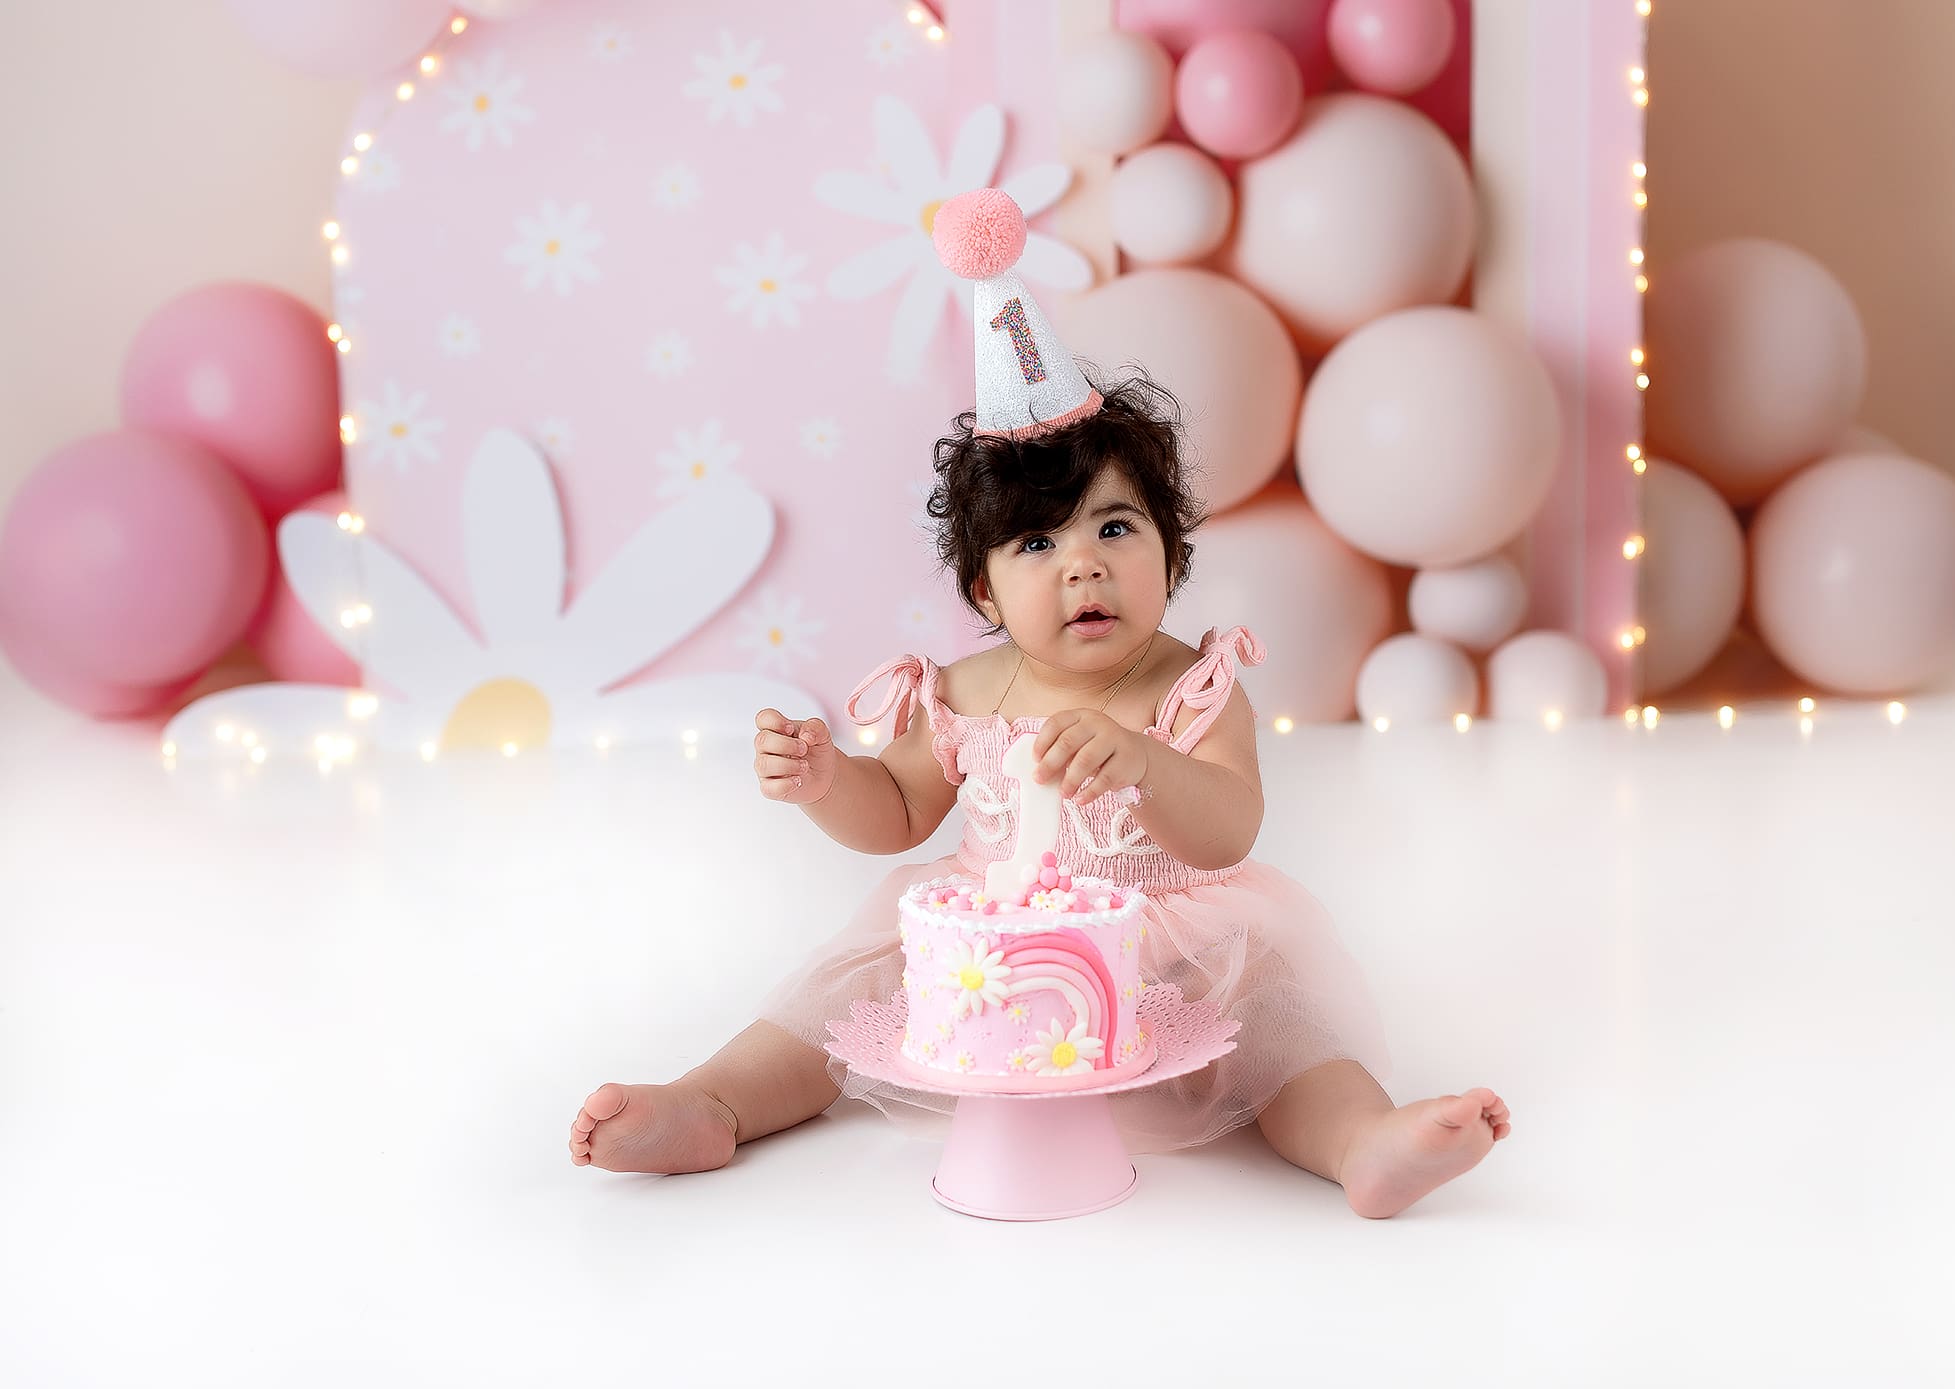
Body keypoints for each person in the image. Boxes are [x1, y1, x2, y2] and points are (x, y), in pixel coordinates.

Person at [568, 190, 1509, 1217]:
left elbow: (1230, 826)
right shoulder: (966, 692)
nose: (1081, 569)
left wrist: (1147, 764)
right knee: (835, 1000)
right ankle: (711, 1104)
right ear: (982, 592)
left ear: (1169, 552)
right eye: (1035, 544)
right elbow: (897, 814)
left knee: (1280, 1035)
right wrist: (832, 780)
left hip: (1176, 949)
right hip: (993, 955)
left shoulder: (1188, 685)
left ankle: (1360, 1142)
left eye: (1113, 530)